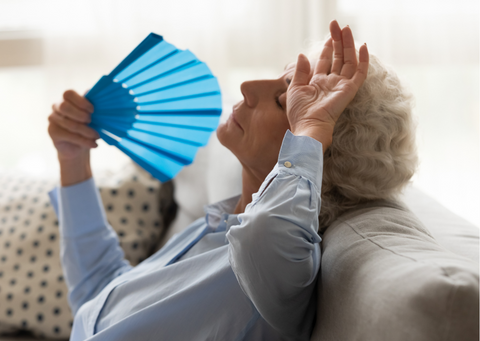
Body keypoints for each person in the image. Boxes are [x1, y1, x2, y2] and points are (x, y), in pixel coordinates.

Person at [47, 19, 415, 340]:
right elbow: (98, 300)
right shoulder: (218, 227)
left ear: (317, 155)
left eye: (281, 99)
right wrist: (72, 157)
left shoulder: (277, 270)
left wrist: (313, 130)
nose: (247, 86)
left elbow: (267, 231)